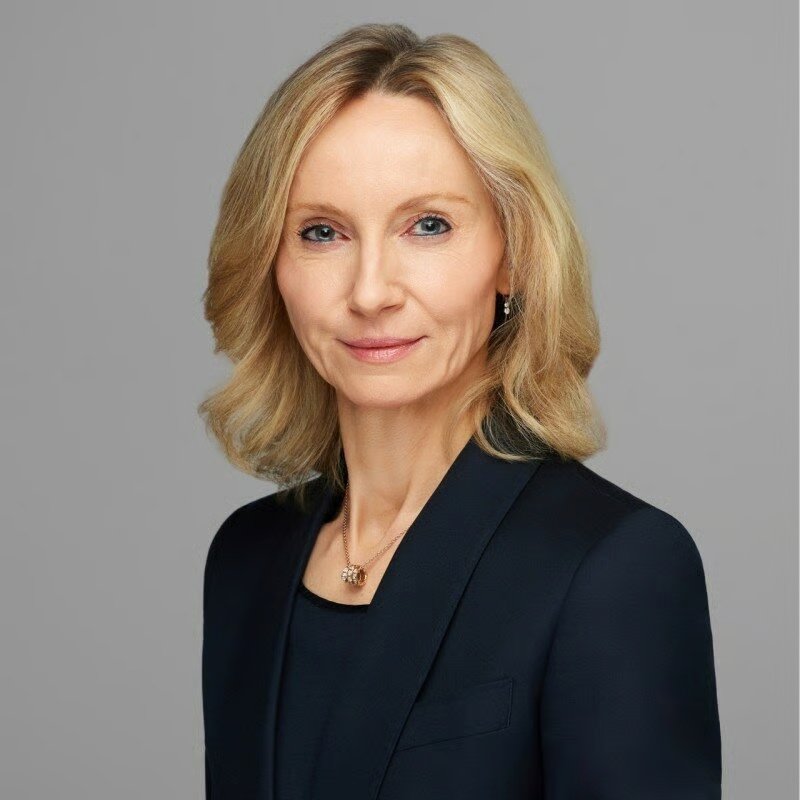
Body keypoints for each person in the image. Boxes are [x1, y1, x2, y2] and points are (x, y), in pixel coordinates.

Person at [198, 22, 722, 800]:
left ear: (511, 255)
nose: (371, 290)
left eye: (428, 226)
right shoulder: (245, 559)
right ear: (272, 267)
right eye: (322, 232)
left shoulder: (614, 569)